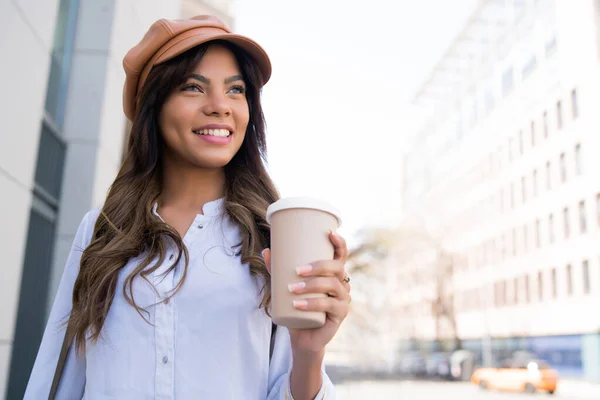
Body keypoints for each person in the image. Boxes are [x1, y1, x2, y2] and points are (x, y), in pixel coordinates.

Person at [24, 15, 351, 400]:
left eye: (235, 90)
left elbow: (286, 387)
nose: (220, 107)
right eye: (194, 87)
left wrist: (309, 353)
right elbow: (59, 376)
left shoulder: (273, 234)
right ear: (155, 106)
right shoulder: (101, 228)